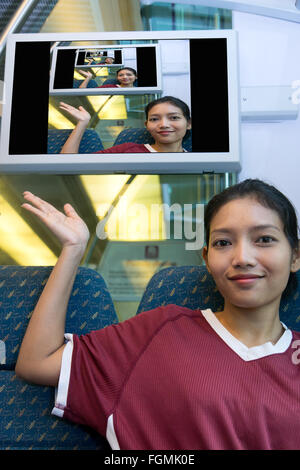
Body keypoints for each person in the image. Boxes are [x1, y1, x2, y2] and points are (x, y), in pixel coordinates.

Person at [15, 179, 300, 450]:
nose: (242, 258)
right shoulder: (158, 333)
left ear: (295, 257)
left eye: (264, 239)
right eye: (223, 243)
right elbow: (36, 363)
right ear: (206, 259)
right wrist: (73, 250)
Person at [59, 95, 192, 154]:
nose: (164, 124)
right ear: (146, 125)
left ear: (188, 124)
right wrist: (82, 123)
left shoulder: (197, 159)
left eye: (174, 117)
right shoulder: (127, 149)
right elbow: (67, 165)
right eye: (154, 119)